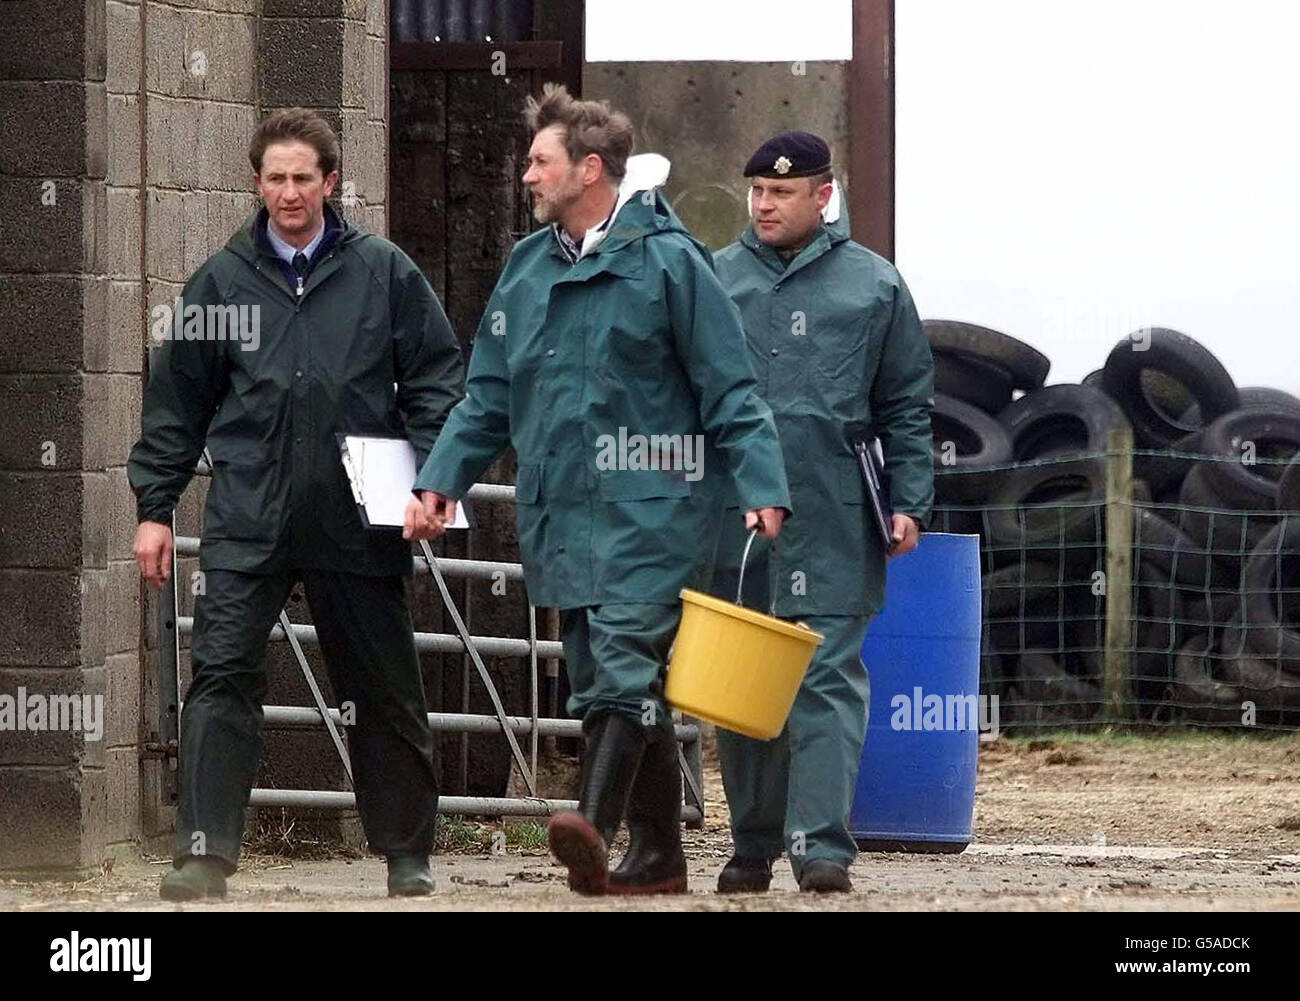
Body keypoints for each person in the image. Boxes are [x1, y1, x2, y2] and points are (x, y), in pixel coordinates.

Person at [405, 84, 791, 896]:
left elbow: (731, 387)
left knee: (620, 665)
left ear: (588, 169)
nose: (526, 178)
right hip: (563, 515)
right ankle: (658, 857)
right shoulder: (526, 269)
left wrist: (762, 482)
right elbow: (488, 397)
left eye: (539, 163)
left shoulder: (670, 263)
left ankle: (590, 823)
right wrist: (440, 481)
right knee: (606, 680)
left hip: (656, 507)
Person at [128, 108, 463, 900]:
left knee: (383, 684)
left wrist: (434, 479)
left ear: (331, 183)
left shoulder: (383, 272)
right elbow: (176, 403)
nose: (288, 193)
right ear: (256, 182)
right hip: (250, 517)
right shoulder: (221, 280)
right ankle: (203, 853)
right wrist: (154, 505)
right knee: (219, 676)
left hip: (355, 514)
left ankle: (407, 854)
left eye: (302, 178)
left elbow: (437, 380)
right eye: (274, 178)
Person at [707, 131, 935, 894]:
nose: (764, 205)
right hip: (735, 516)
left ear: (822, 196)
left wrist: (908, 502)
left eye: (781, 193)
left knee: (826, 677)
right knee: (742, 681)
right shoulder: (715, 280)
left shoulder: (874, 286)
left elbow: (906, 405)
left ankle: (821, 848)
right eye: (757, 193)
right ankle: (751, 842)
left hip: (835, 516)